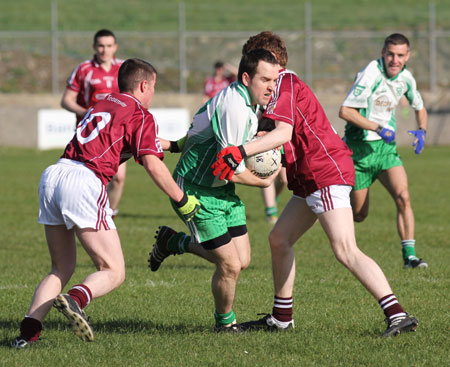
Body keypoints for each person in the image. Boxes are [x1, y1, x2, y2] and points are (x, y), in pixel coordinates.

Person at [211, 31, 419, 337]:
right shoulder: (278, 89)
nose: (261, 75)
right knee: (279, 239)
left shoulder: (285, 83)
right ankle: (282, 318)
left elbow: (282, 134)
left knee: (345, 249)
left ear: (273, 63)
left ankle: (397, 313)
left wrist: (240, 152)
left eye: (261, 64)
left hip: (325, 171)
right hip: (310, 177)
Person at [13, 58, 200, 348]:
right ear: (144, 85)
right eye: (154, 87)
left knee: (60, 267)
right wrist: (183, 199)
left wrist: (174, 145)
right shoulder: (140, 113)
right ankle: (75, 300)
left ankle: (26, 336)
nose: (153, 93)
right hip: (85, 181)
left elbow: (136, 138)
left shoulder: (103, 103)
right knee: (113, 270)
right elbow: (151, 163)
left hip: (54, 174)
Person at [149, 49, 281, 332]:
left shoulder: (248, 99)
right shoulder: (233, 106)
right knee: (230, 265)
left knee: (242, 260)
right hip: (196, 189)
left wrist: (174, 144)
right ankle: (225, 325)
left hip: (222, 191)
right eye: (266, 79)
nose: (272, 86)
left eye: (275, 79)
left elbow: (201, 130)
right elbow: (228, 167)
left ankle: (174, 242)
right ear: (246, 78)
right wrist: (262, 181)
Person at [339, 33, 428, 269]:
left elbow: (419, 106)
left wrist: (422, 130)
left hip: (386, 151)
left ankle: (409, 256)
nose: (395, 60)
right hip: (359, 152)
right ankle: (328, 208)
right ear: (383, 53)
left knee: (403, 197)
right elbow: (346, 111)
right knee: (359, 215)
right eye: (390, 54)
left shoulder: (406, 78)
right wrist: (377, 127)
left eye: (400, 55)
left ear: (407, 56)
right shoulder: (371, 73)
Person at [61, 29, 126, 217]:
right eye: (100, 46)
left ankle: (109, 215)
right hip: (91, 135)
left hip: (116, 133)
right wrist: (86, 113)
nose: (104, 50)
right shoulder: (84, 69)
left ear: (115, 47)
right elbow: (67, 100)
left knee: (119, 178)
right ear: (94, 47)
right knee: (90, 180)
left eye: (108, 46)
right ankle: (87, 215)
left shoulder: (123, 69)